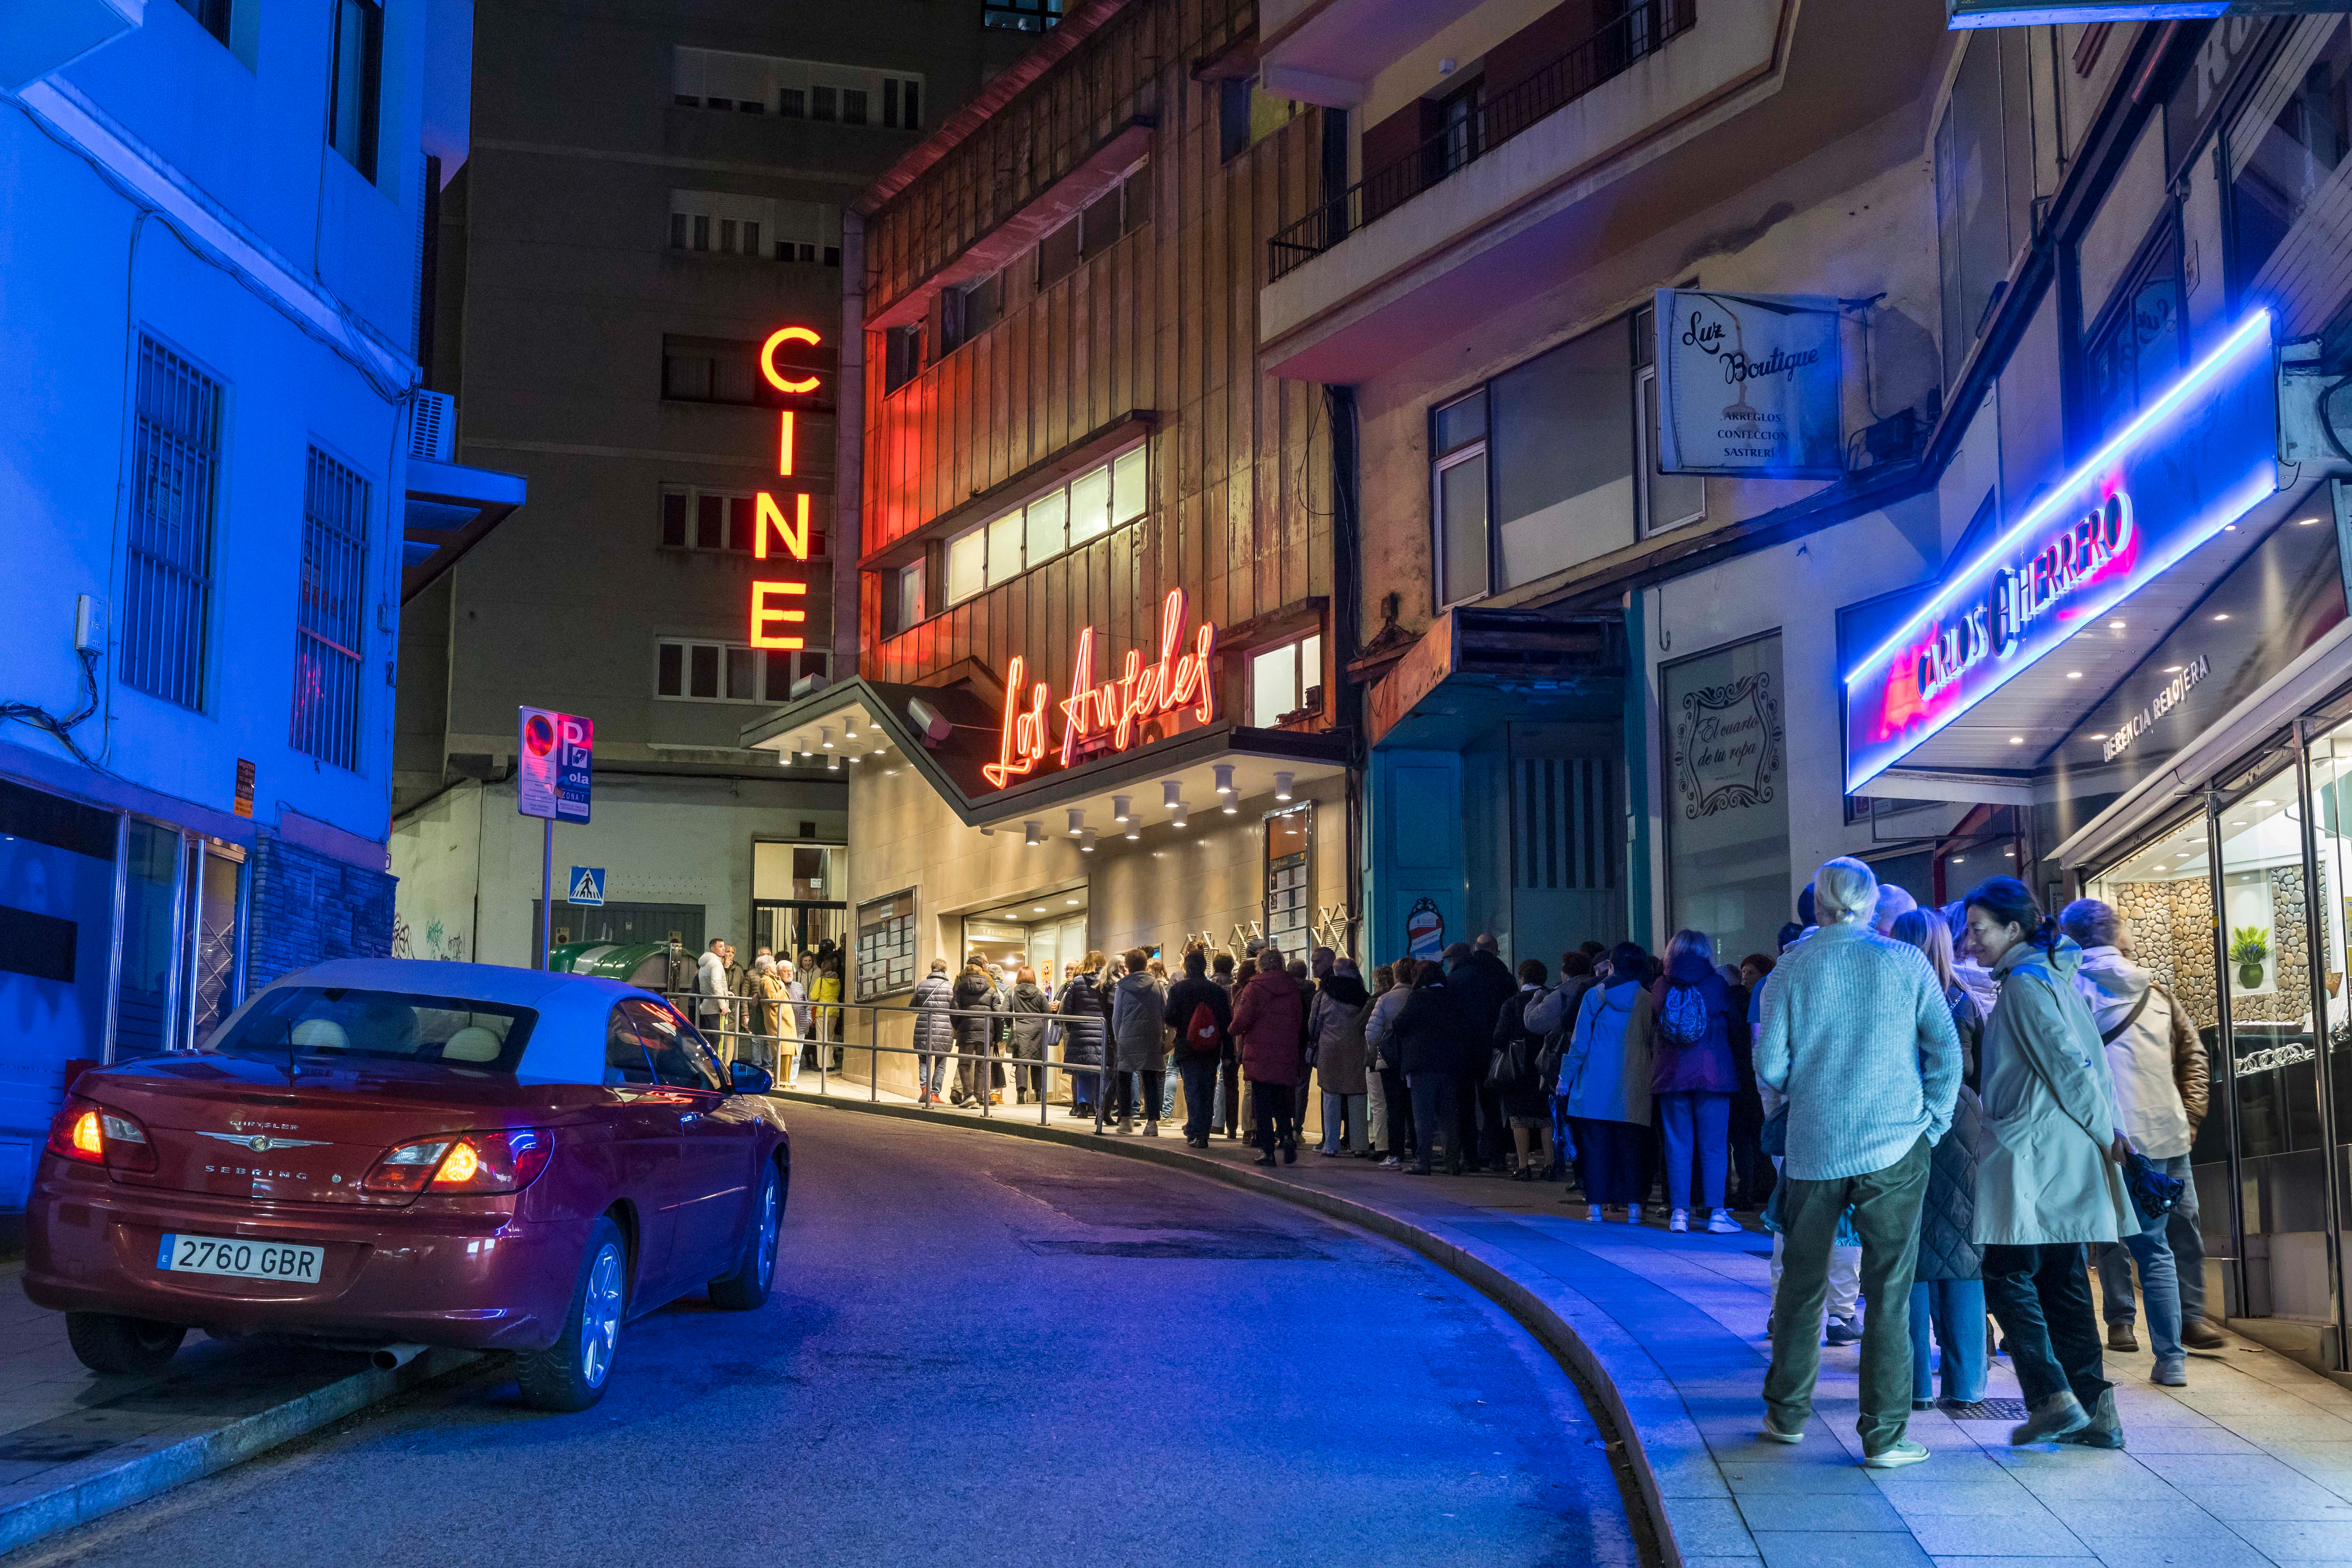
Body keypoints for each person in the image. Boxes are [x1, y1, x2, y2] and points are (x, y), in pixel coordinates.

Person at [1756, 856, 1961, 1470]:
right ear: (1874, 907)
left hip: (1816, 1146)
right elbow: (1944, 1052)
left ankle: (1785, 1416)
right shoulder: (1905, 962)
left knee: (1801, 1286)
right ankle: (1884, 1436)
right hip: (1897, 1146)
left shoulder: (1791, 967)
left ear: (1818, 906)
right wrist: (1935, 1123)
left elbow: (1769, 1065)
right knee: (1889, 1295)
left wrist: (1813, 1086)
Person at [1966, 876, 2137, 1449]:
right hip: (2060, 1152)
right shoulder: (2055, 976)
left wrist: (2107, 1133)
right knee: (2062, 1282)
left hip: (2032, 1154)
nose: (1969, 940)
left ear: (2012, 928)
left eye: (1978, 928)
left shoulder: (2024, 985)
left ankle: (2049, 1398)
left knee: (2004, 1274)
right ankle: (2096, 1413)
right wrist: (2104, 1131)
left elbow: (2069, 1066)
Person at [2060, 898, 2219, 1373]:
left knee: (2121, 1237)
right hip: (2168, 1134)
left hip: (2114, 1136)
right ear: (2118, 936)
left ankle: (2122, 1323)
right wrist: (2188, 1120)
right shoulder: (2154, 992)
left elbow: (2073, 1069)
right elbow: (2194, 1056)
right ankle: (2169, 1355)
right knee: (2163, 1245)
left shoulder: (2070, 992)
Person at [1889, 908, 1988, 1408]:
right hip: (1962, 1125)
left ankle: (1912, 1386)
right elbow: (1980, 1071)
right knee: (1961, 1250)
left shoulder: (1890, 998)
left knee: (1905, 1255)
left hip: (1902, 1123)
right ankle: (1967, 1382)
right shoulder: (1965, 1000)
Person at [1651, 930, 1742, 1234]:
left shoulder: (1661, 985)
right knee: (1714, 1146)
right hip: (1713, 1075)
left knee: (1678, 1145)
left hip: (1672, 1075)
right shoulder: (1717, 983)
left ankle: (1679, 1213)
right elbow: (1733, 1027)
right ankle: (1717, 1213)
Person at [1560, 943, 1655, 1219]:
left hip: (1594, 1085)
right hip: (1634, 1085)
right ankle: (1635, 1209)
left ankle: (1595, 1208)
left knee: (1596, 1148)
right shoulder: (1647, 1000)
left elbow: (1579, 1044)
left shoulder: (1594, 997)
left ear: (1611, 966)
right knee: (1632, 1148)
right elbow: (1652, 1042)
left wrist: (1564, 1079)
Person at [1526, 952, 1599, 1187]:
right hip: (1597, 1064)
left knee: (1568, 1120)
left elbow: (1535, 1022)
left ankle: (1577, 1173)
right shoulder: (1598, 989)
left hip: (1566, 1060)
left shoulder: (1561, 994)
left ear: (1565, 972)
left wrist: (1534, 1001)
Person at [1392, 956, 1466, 1176]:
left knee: (1423, 1116)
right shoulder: (1453, 998)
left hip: (1422, 1065)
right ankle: (1452, 1161)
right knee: (1449, 1116)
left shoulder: (1418, 998)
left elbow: (1400, 1024)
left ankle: (1422, 1161)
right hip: (1450, 1065)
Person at [1232, 948, 1307, 1164]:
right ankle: (1287, 1137)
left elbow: (1242, 1020)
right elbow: (1298, 1019)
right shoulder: (1292, 987)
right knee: (1282, 1100)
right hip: (1286, 1051)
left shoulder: (1254, 988)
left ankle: (1268, 1152)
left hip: (1260, 1053)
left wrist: (1232, 1030)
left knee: (1262, 1104)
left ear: (1261, 965)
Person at [1460, 936, 1519, 1169]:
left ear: (1476, 949)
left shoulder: (1460, 976)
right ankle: (1496, 1156)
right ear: (1494, 950)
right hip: (1494, 1049)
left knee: (1465, 1104)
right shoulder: (1504, 978)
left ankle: (1470, 1156)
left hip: (1464, 1049)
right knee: (1492, 1104)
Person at [1491, 958, 1552, 1181]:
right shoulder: (1552, 999)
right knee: (1546, 1117)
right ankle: (1550, 1164)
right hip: (1546, 1066)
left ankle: (1523, 1165)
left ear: (1522, 978)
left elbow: (1499, 1038)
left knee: (1518, 1118)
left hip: (1518, 1068)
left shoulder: (1512, 1004)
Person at [1165, 950, 1232, 1147]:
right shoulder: (1216, 991)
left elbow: (1169, 1017)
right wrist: (1227, 1052)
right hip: (1211, 1047)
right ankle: (1203, 1129)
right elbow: (1226, 1023)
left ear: (1187, 967)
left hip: (1188, 1046)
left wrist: (1185, 1024)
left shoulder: (1178, 990)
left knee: (1192, 1089)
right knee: (1207, 1088)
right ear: (1204, 968)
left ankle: (1197, 1131)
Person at [1311, 958, 1372, 1156]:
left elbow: (1314, 1026)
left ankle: (1330, 1145)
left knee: (1331, 1096)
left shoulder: (1323, 996)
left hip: (1330, 1051)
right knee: (1357, 1096)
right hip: (1356, 1049)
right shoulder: (1364, 996)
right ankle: (1360, 1144)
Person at [1729, 954, 1773, 1209]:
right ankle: (1758, 1187)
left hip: (1750, 1076)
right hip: (1753, 1076)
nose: (1746, 977)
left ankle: (1752, 1187)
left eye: (1752, 973)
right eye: (1743, 972)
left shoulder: (1752, 999)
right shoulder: (1746, 998)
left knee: (1747, 1137)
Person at [1108, 949, 1168, 1135]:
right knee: (1150, 1078)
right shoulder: (1157, 985)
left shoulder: (1123, 988)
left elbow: (1116, 1017)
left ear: (1128, 966)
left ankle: (1126, 1120)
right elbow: (1165, 1011)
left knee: (1124, 1077)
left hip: (1128, 1036)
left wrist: (1118, 1037)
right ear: (1145, 964)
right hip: (1152, 1036)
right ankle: (1152, 1124)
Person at [1366, 958, 1417, 1169]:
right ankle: (1418, 1151)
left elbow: (1372, 1033)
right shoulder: (1417, 997)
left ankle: (1395, 1154)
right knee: (1415, 1110)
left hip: (1390, 1061)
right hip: (1416, 1061)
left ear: (1396, 976)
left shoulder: (1386, 1000)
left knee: (1394, 1110)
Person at [1054, 953, 1110, 1122]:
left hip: (1081, 1032)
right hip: (1103, 1031)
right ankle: (1101, 1106)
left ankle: (1083, 1107)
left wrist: (1072, 1028)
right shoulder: (1109, 982)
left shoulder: (1077, 982)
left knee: (1083, 1070)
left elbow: (1067, 1009)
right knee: (1103, 1070)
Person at [949, 957, 999, 1107]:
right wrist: (996, 1034)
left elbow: (954, 1011)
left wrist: (958, 1027)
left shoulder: (960, 986)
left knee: (964, 1063)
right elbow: (998, 1012)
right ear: (982, 970)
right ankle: (979, 1096)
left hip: (966, 1030)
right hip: (986, 1031)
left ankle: (968, 1094)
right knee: (982, 1064)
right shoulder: (990, 985)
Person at [910, 959, 955, 1106]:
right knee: (941, 1064)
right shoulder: (950, 987)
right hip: (944, 1029)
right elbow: (955, 1009)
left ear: (932, 969)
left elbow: (913, 1007)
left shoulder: (922, 985)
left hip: (924, 1027)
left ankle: (925, 1090)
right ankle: (935, 1094)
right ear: (945, 970)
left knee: (924, 1061)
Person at [1006, 965, 1051, 1105]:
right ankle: (1038, 1094)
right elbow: (1048, 1013)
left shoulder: (1012, 993)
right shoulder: (1039, 993)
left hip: (1019, 1030)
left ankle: (1021, 1094)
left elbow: (1004, 1012)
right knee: (1038, 1061)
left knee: (1022, 1061)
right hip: (1038, 1031)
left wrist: (1011, 1024)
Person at [1209, 952, 1242, 1139]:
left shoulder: (1208, 986)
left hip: (1209, 1038)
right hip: (1231, 1039)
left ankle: (1209, 1123)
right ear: (1231, 968)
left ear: (1214, 967)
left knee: (1208, 1081)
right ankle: (1232, 1127)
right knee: (1232, 1084)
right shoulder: (1235, 988)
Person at [695, 939, 733, 1051]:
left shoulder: (705, 963)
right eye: (721, 946)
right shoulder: (716, 963)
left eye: (724, 946)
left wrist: (726, 992)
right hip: (717, 1008)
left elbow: (708, 984)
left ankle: (711, 1067)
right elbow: (716, 983)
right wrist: (723, 1004)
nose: (724, 949)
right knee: (720, 1043)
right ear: (713, 949)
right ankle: (720, 1068)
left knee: (712, 1041)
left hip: (707, 1004)